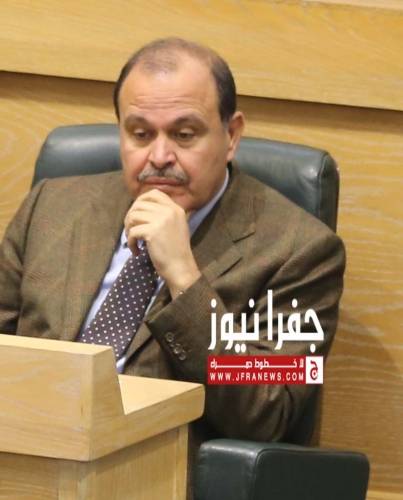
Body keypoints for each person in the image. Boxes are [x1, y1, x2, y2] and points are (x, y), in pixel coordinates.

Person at [0, 37, 345, 484]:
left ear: (232, 135)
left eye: (184, 135)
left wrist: (184, 279)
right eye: (140, 134)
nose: (160, 157)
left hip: (159, 479)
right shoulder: (52, 206)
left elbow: (267, 411)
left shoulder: (304, 251)